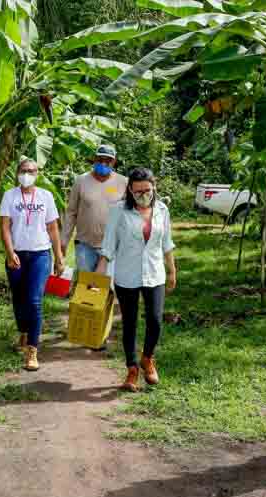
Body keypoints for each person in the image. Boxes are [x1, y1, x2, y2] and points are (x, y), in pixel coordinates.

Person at [96, 168, 177, 392]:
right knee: (130, 323)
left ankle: (147, 358)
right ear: (130, 190)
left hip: (154, 273)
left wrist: (172, 270)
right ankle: (132, 369)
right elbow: (109, 245)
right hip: (126, 274)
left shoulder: (162, 210)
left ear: (154, 188)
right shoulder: (118, 212)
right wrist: (97, 276)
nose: (143, 195)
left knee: (155, 320)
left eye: (147, 190)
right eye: (138, 191)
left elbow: (167, 243)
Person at [0, 158, 65, 371]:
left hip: (40, 255)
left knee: (34, 301)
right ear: (17, 172)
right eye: (24, 170)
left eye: (32, 171)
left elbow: (53, 228)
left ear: (37, 174)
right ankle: (24, 331)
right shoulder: (10, 196)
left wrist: (59, 256)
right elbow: (5, 227)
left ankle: (32, 350)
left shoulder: (46, 196)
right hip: (16, 254)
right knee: (19, 299)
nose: (27, 174)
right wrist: (10, 253)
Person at [61, 145, 128, 274]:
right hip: (85, 245)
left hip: (112, 245)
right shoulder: (81, 181)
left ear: (114, 162)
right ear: (94, 159)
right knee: (86, 288)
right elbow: (71, 212)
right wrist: (64, 240)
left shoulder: (123, 182)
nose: (103, 163)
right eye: (100, 159)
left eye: (108, 160)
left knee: (108, 287)